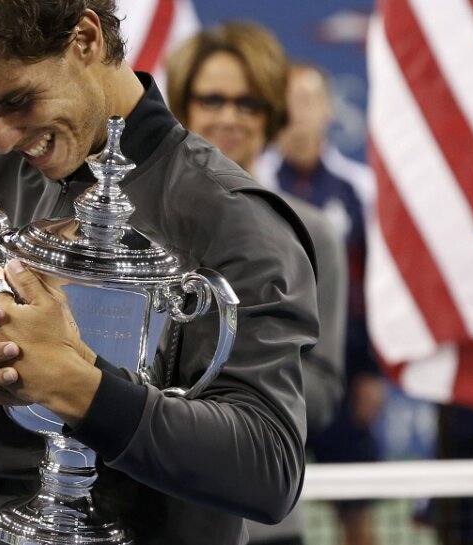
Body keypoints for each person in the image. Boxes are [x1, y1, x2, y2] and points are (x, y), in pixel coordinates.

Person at [0, 3, 321, 544]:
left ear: (86, 39)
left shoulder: (236, 218)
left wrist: (77, 386)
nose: (2, 140)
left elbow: (269, 471)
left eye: (16, 102)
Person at [166, 22, 348, 545]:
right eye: (213, 99)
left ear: (272, 116)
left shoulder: (315, 235)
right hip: (153, 513)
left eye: (249, 103)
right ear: (183, 106)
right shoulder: (138, 230)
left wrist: (212, 389)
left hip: (265, 519)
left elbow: (323, 389)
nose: (230, 116)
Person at [256, 62, 384, 545]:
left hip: (344, 378)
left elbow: (375, 286)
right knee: (270, 504)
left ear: (330, 109)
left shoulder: (360, 189)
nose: (298, 112)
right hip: (274, 375)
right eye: (288, 101)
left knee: (359, 514)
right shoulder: (253, 185)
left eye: (309, 100)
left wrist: (370, 370)